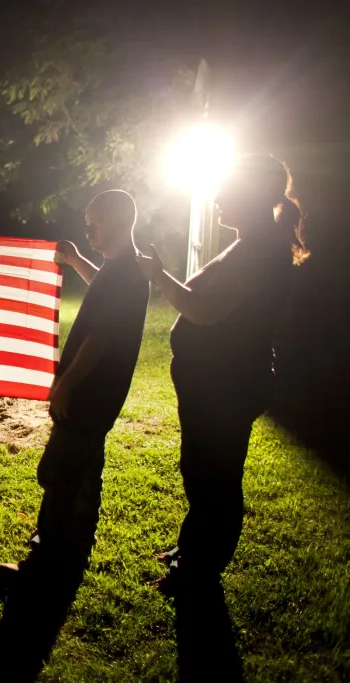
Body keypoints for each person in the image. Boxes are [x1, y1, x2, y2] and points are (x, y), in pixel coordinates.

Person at [136, 155, 307, 595]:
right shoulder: (252, 242)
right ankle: (191, 551)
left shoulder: (261, 250)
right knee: (201, 470)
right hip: (215, 382)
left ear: (251, 195)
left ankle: (200, 569)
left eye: (227, 190)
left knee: (216, 477)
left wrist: (158, 276)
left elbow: (202, 309)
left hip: (227, 385)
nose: (216, 198)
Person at [0, 189, 150, 596]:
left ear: (115, 221)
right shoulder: (123, 270)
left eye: (93, 220)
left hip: (92, 392)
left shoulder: (127, 274)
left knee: (58, 471)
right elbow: (101, 289)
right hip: (100, 394)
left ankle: (46, 561)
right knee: (85, 464)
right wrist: (77, 258)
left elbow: (98, 338)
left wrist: (67, 384)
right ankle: (77, 541)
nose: (88, 226)